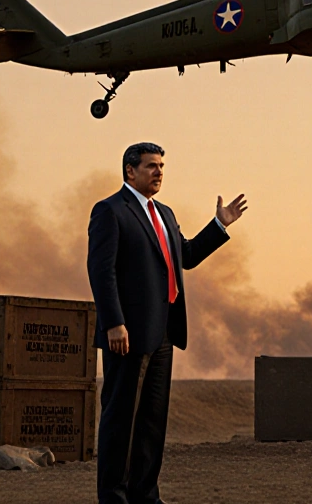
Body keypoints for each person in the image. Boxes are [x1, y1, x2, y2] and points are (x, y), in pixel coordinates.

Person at [87, 142, 247, 503]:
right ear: (130, 171)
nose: (159, 172)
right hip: (126, 334)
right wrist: (114, 322)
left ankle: (146, 496)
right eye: (150, 166)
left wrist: (219, 225)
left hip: (162, 334)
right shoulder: (110, 211)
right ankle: (114, 498)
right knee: (120, 422)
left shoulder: (165, 213)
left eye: (161, 166)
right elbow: (101, 271)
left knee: (151, 424)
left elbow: (185, 256)